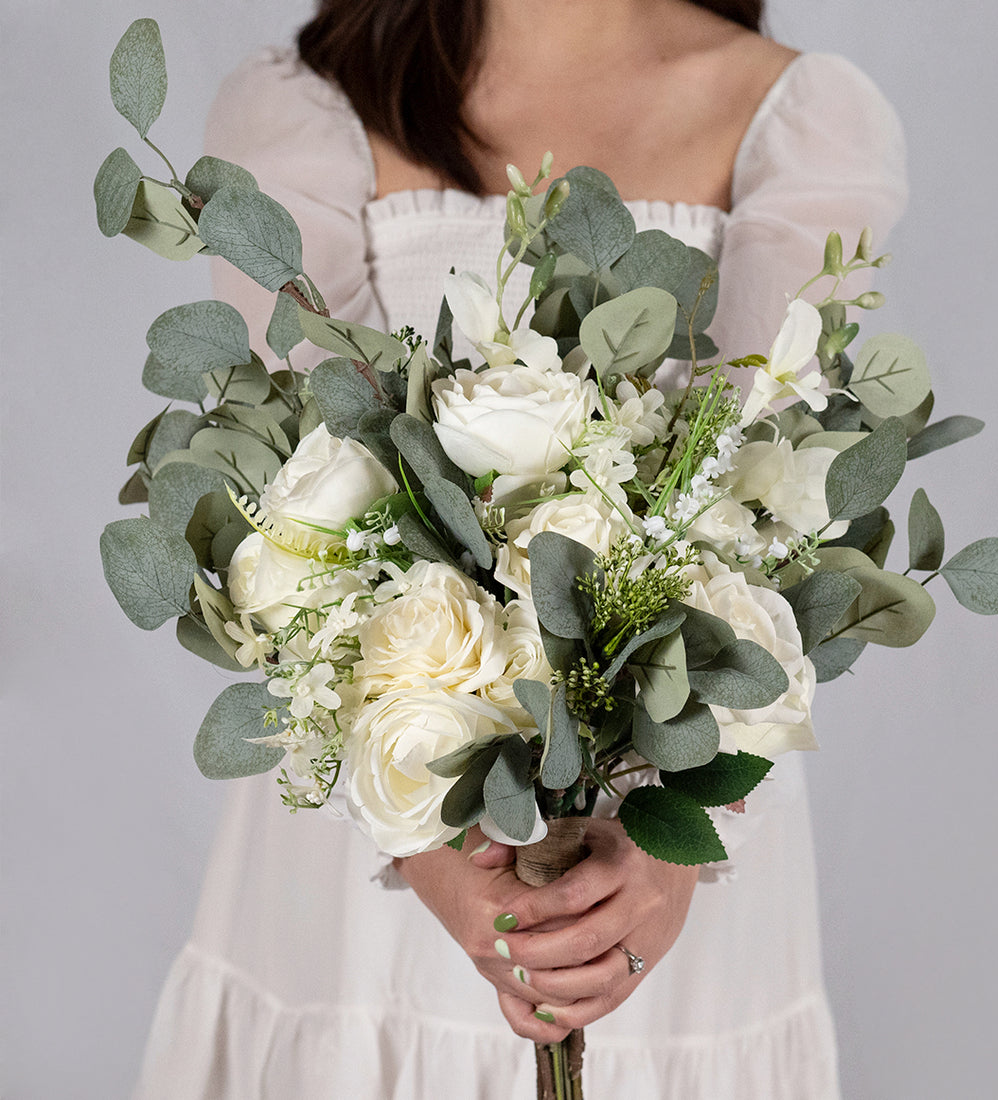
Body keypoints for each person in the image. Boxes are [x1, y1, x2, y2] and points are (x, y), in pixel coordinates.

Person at [134, 1, 906, 1095]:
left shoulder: (797, 117)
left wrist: (670, 846)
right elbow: (306, 505)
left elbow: (767, 508)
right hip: (365, 850)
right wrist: (439, 856)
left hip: (673, 864)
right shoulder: (302, 110)